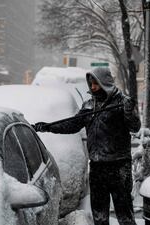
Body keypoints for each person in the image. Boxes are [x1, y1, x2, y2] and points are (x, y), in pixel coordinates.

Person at [32, 67, 140, 225]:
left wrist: (129, 112)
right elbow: (73, 125)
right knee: (99, 215)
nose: (93, 87)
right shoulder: (89, 105)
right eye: (91, 84)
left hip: (119, 166)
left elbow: (135, 127)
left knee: (125, 216)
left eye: (96, 83)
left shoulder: (122, 103)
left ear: (105, 82)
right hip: (97, 167)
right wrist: (48, 127)